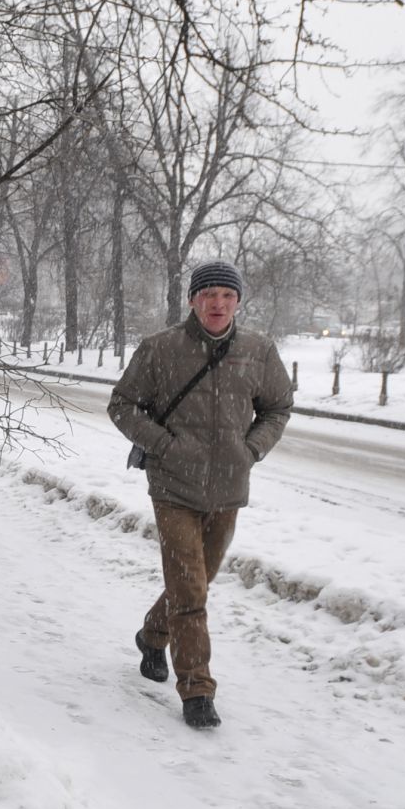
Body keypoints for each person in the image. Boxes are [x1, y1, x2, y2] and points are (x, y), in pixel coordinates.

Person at [108, 261, 293, 729]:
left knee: (199, 578)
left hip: (228, 488)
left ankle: (153, 635)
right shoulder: (161, 349)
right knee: (190, 588)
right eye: (208, 294)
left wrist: (251, 449)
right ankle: (196, 689)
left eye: (227, 296)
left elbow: (278, 407)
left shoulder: (258, 350)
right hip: (173, 486)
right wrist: (165, 446)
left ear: (238, 302)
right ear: (192, 299)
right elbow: (122, 404)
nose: (217, 304)